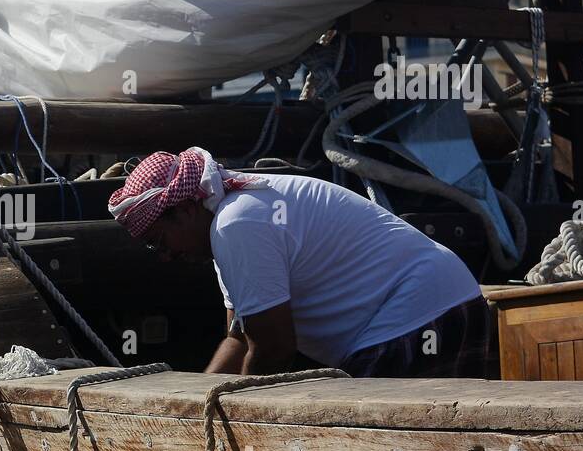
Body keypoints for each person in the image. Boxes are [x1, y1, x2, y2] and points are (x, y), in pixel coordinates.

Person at [107, 147, 498, 379]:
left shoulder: (236, 223)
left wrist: (237, 423)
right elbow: (239, 337)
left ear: (188, 208)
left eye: (159, 241)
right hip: (444, 306)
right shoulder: (230, 219)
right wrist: (197, 403)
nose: (165, 257)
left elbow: (275, 347)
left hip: (414, 321)